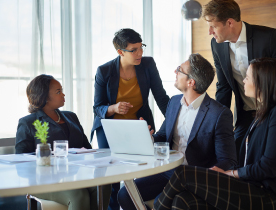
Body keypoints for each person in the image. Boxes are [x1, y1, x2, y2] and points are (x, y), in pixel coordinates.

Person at [153, 57, 276, 210]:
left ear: (262, 82)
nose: (243, 81)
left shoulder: (274, 115)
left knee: (182, 173)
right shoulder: (260, 114)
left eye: (247, 77)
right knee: (181, 200)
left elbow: (268, 166)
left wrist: (230, 173)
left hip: (264, 194)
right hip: (247, 184)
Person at [118, 53, 237, 210]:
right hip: (166, 171)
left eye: (179, 70)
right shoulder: (174, 102)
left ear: (191, 82)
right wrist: (148, 137)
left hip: (192, 177)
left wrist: (206, 175)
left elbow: (228, 160)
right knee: (125, 194)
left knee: (161, 202)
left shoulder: (219, 113)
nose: (175, 72)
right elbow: (162, 136)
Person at [91, 28, 170, 210]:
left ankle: (133, 202)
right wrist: (114, 108)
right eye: (133, 50)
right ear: (120, 52)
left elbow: (161, 97)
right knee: (111, 177)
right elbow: (97, 107)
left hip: (138, 125)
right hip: (111, 128)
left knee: (143, 171)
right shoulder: (104, 71)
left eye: (141, 47)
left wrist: (175, 120)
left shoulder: (147, 65)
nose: (140, 53)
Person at [15, 74, 111, 210]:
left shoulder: (71, 116)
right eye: (58, 92)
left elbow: (87, 149)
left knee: (103, 184)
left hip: (76, 175)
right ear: (44, 97)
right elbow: (21, 161)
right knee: (79, 194)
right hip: (43, 181)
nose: (63, 94)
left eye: (62, 90)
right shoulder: (28, 122)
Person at [202, 0, 276, 160]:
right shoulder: (217, 45)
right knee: (234, 155)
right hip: (244, 113)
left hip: (272, 112)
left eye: (213, 26)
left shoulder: (269, 38)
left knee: (262, 158)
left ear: (229, 23)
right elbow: (223, 87)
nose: (210, 32)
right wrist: (218, 121)